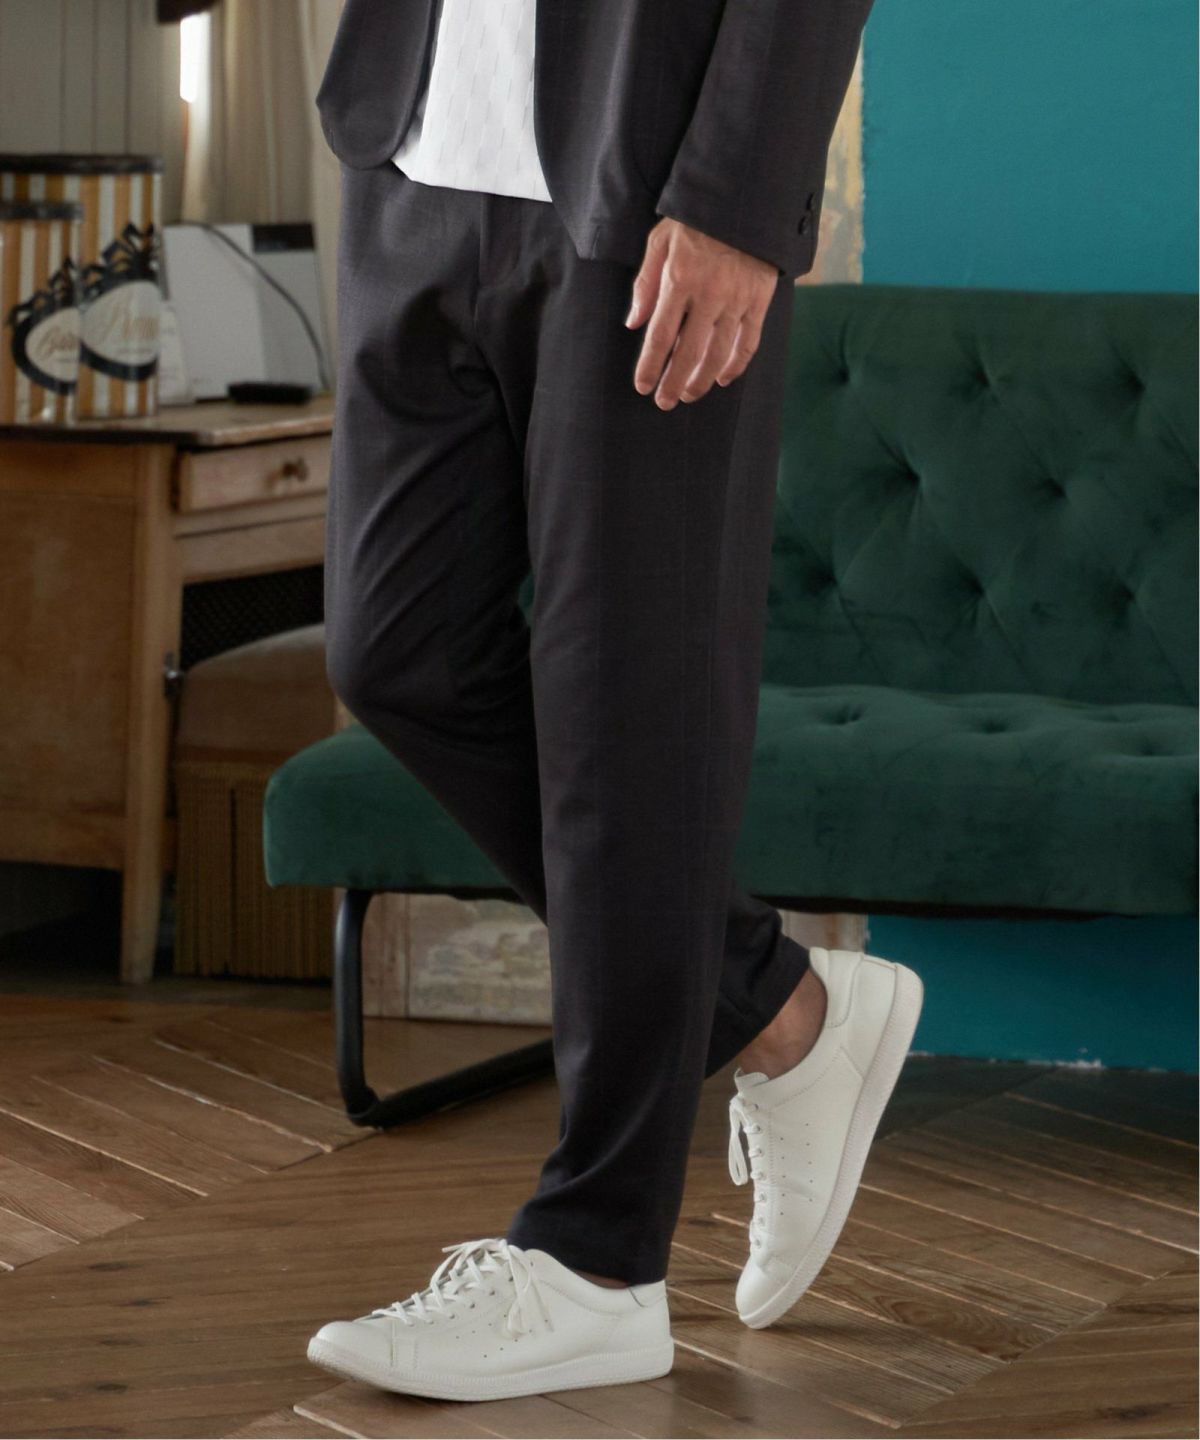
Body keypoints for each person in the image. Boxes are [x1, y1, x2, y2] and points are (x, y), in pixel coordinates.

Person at [305, 0, 924, 1403]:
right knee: (394, 652)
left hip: (647, 189)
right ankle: (776, 1004)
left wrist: (741, 198)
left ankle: (599, 1264)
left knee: (623, 707)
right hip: (416, 155)